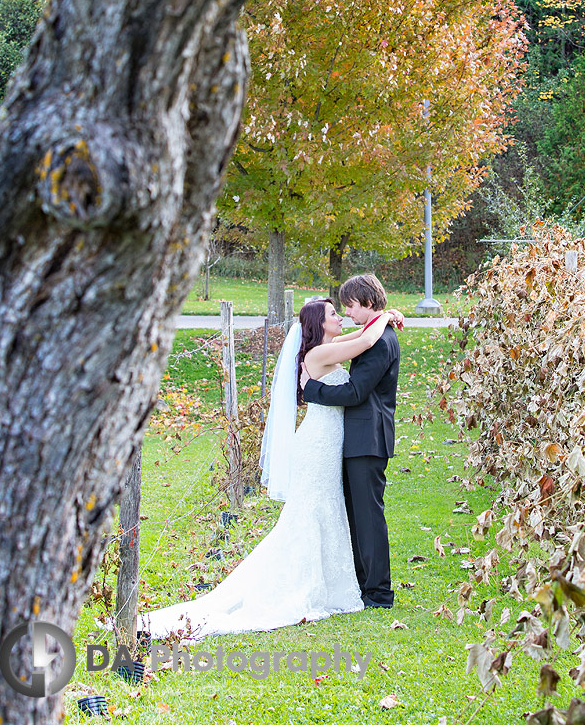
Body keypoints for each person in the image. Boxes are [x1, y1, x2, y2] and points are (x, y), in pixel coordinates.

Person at [140, 297, 397, 639]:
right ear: (318, 324)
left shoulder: (331, 347)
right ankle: (307, 584)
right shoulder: (318, 355)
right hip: (318, 444)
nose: (340, 317)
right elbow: (366, 340)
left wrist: (384, 317)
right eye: (334, 313)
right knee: (312, 512)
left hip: (333, 442)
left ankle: (335, 582)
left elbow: (362, 338)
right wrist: (386, 316)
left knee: (329, 510)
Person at [300, 273, 400, 609]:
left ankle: (379, 591)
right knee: (356, 515)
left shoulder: (381, 340)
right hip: (356, 438)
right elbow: (360, 338)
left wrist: (310, 390)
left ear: (368, 302)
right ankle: (362, 581)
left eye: (352, 306)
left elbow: (356, 392)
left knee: (368, 516)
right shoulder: (372, 334)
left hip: (368, 439)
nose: (349, 314)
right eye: (341, 310)